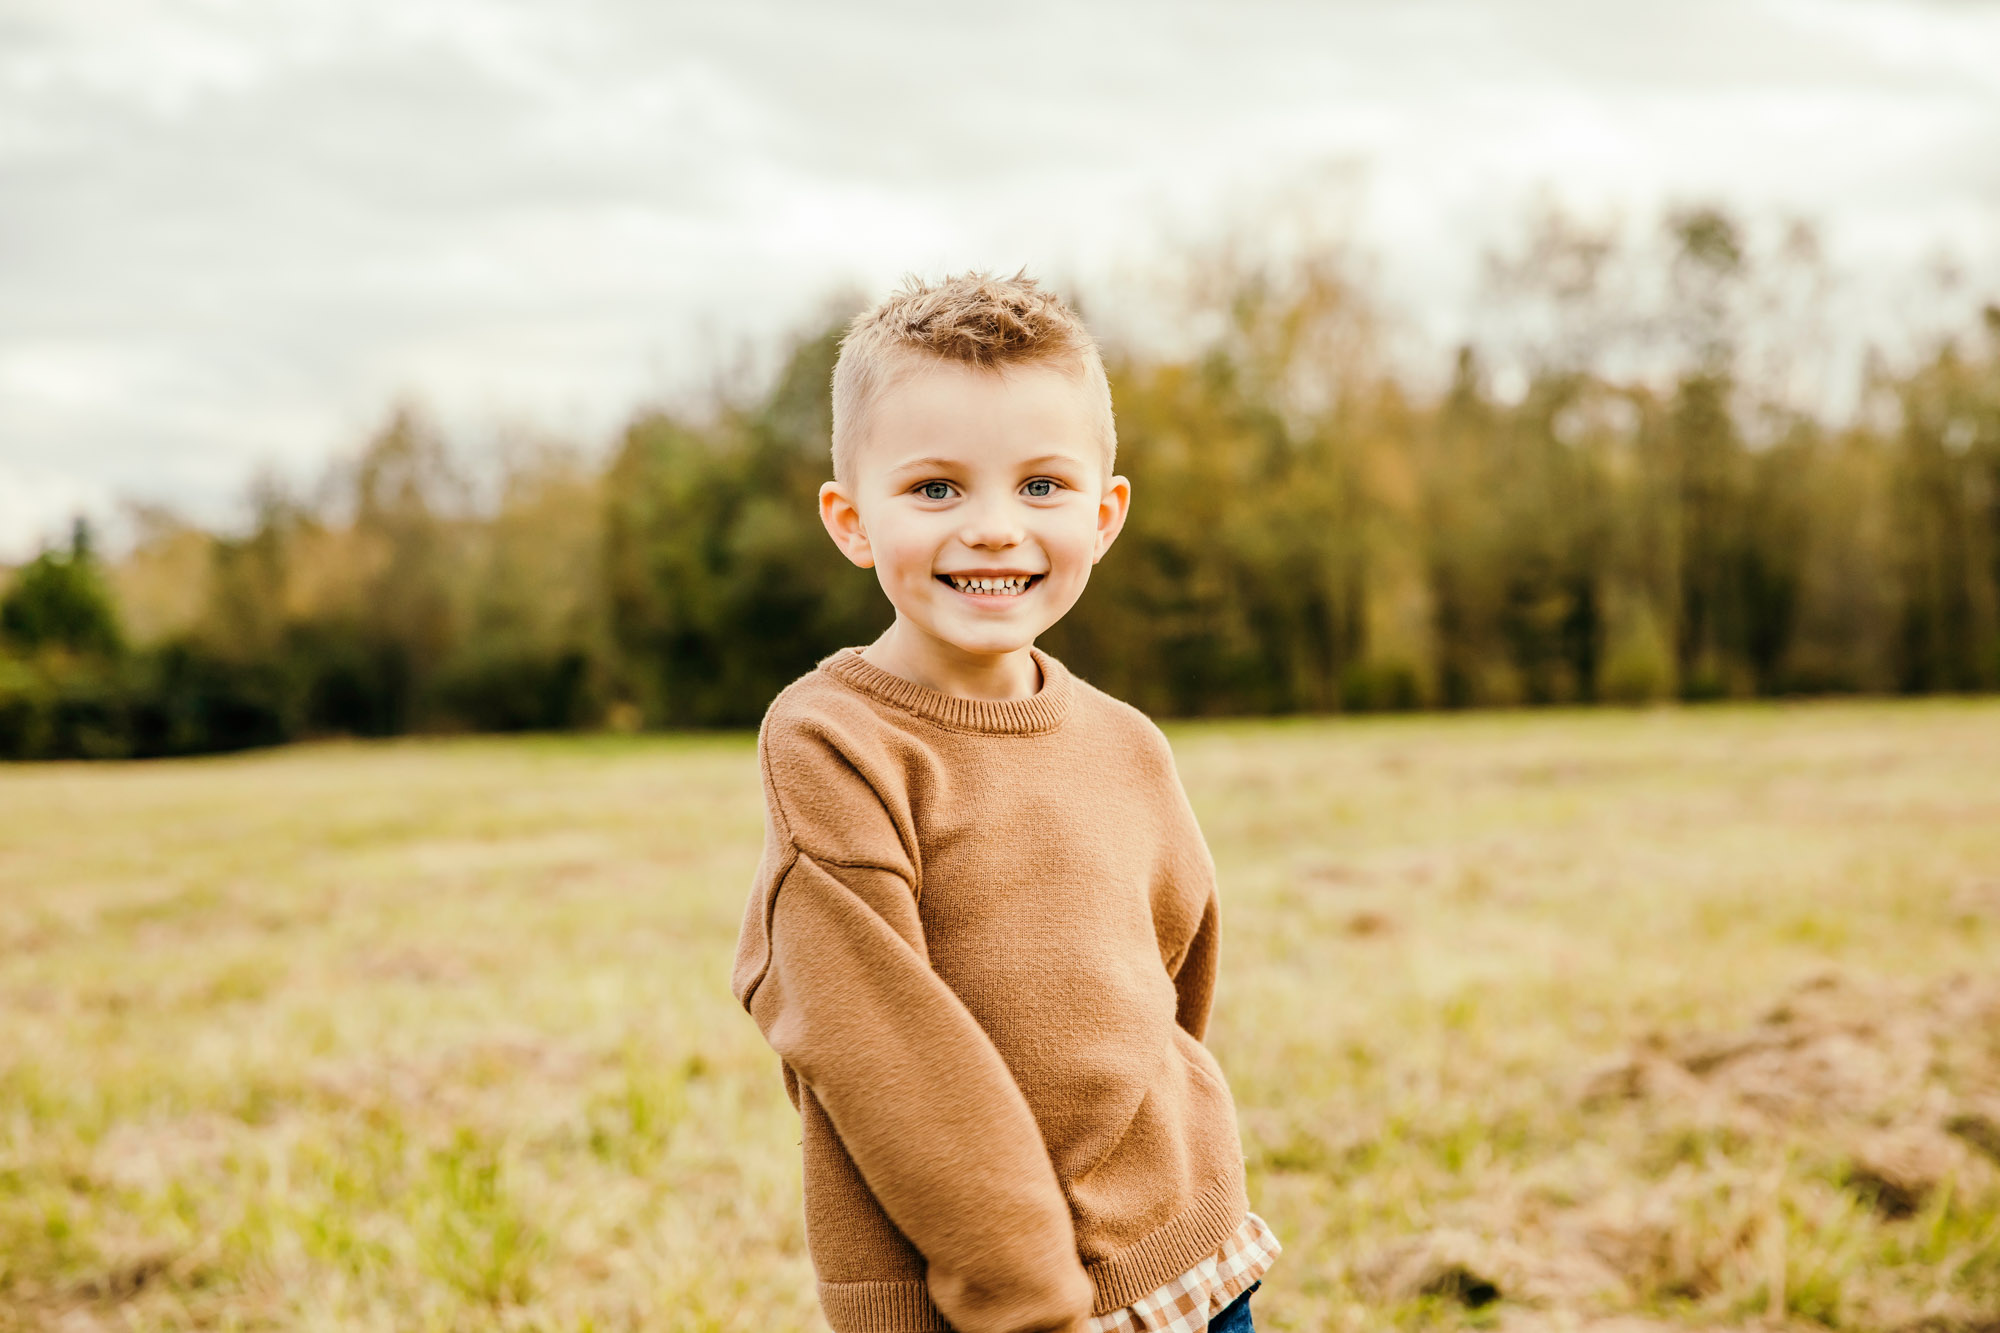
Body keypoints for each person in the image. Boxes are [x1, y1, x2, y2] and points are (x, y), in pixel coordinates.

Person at [730, 272, 1278, 1333]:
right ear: (850, 520)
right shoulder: (832, 742)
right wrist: (1024, 1295)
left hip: (1192, 1267)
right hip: (987, 1305)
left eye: (1041, 486)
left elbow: (1171, 985)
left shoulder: (1125, 743)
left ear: (1103, 514)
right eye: (935, 488)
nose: (991, 528)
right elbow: (877, 1043)